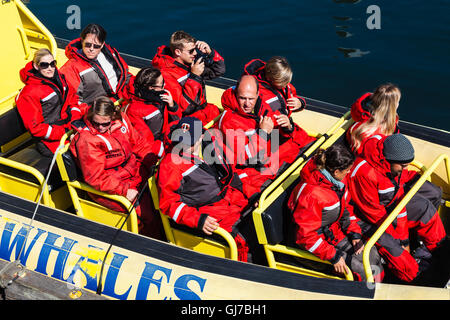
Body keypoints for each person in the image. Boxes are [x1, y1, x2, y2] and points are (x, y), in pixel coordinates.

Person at [348, 133, 446, 282]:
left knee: (426, 210)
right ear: (389, 160)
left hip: (390, 206)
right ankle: (417, 281)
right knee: (399, 255)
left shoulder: (392, 163)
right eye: (403, 165)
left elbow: (399, 189)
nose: (406, 168)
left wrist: (404, 239)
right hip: (367, 220)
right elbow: (375, 216)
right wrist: (403, 242)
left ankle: (440, 254)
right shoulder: (364, 174)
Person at [157, 117, 255, 262]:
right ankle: (246, 274)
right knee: (243, 239)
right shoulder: (171, 164)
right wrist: (198, 220)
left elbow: (231, 174)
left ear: (201, 136)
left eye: (188, 141)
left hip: (232, 200)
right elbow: (168, 203)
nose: (183, 146)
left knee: (260, 224)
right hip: (209, 213)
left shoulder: (212, 146)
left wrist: (253, 195)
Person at [287, 144, 383, 281]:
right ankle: (367, 293)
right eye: (348, 170)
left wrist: (354, 233)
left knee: (372, 255)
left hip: (332, 234)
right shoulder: (312, 195)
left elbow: (345, 209)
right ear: (336, 172)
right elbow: (304, 236)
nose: (349, 173)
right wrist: (333, 256)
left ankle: (379, 290)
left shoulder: (337, 182)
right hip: (312, 246)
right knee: (359, 270)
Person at [70, 96, 161, 238]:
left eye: (105, 124)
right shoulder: (87, 140)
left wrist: (153, 162)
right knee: (146, 214)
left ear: (113, 117)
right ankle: (152, 242)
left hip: (132, 172)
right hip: (111, 185)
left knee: (163, 193)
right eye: (95, 123)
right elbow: (96, 178)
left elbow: (139, 144)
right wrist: (124, 191)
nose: (100, 128)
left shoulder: (122, 121)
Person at [216, 75, 315, 194]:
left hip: (271, 153)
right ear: (236, 94)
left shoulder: (263, 105)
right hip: (255, 165)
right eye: (243, 98)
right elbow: (243, 158)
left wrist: (288, 126)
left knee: (307, 146)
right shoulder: (230, 121)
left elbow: (278, 131)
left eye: (251, 98)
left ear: (258, 94)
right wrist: (262, 134)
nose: (247, 104)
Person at [15, 48, 87, 179]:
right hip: (50, 142)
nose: (50, 68)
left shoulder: (59, 78)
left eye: (52, 63)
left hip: (70, 129)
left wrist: (75, 123)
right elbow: (36, 129)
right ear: (36, 66)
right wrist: (66, 132)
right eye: (44, 65)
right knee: (87, 154)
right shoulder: (29, 93)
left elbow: (73, 100)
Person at [151, 30, 222, 125]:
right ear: (178, 52)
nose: (195, 53)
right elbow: (183, 107)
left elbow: (219, 70)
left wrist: (210, 53)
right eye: (191, 51)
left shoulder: (189, 62)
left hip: (208, 113)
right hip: (190, 122)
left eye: (195, 49)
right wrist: (194, 77)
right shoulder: (166, 74)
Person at [60, 23, 133, 106]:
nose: (91, 49)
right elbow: (72, 101)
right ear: (82, 41)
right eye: (87, 44)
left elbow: (125, 75)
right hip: (98, 109)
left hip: (121, 98)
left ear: (102, 45)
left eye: (96, 46)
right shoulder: (71, 68)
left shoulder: (110, 53)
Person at [125, 66, 179, 154]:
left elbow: (176, 120)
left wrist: (172, 106)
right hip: (155, 150)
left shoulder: (161, 95)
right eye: (162, 84)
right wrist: (165, 151)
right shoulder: (135, 111)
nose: (164, 86)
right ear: (151, 88)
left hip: (166, 139)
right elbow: (145, 141)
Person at [346, 83, 400, 156]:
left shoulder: (361, 114)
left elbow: (356, 107)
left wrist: (369, 96)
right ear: (393, 106)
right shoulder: (373, 133)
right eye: (397, 102)